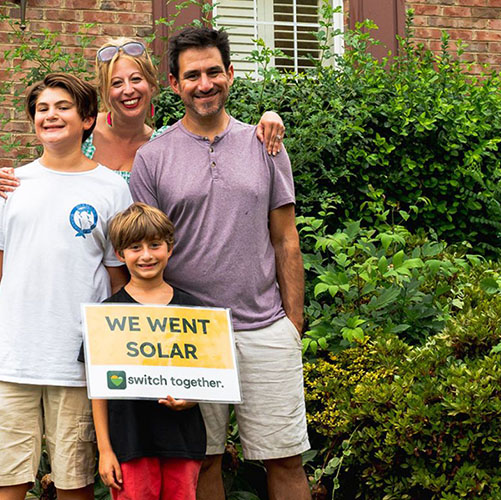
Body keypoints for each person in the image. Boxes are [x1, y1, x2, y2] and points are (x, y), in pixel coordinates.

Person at [129, 27, 311, 500]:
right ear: (174, 84)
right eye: (192, 75)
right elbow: (146, 257)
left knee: (286, 458)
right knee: (203, 461)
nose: (204, 83)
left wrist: (292, 323)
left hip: (264, 326)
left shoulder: (265, 144)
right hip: (191, 330)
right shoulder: (152, 159)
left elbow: (286, 238)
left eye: (214, 72)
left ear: (230, 74)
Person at [0, 73, 132, 500]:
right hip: (11, 359)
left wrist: (119, 357)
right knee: (4, 481)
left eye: (63, 107)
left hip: (76, 363)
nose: (50, 115)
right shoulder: (12, 185)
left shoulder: (111, 188)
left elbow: (118, 280)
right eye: (42, 109)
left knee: (74, 482)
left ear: (88, 119)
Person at [0, 37, 285, 196]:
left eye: (136, 79)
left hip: (143, 265)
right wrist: (5, 181)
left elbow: (211, 128)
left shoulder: (163, 144)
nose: (128, 90)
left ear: (154, 84)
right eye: (116, 83)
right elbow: (48, 172)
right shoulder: (82, 133)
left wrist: (269, 116)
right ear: (104, 90)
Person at [90, 202, 206, 500]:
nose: (146, 255)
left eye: (155, 245)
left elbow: (209, 375)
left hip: (182, 441)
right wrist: (105, 450)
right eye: (134, 247)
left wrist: (191, 399)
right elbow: (98, 388)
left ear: (170, 248)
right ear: (119, 254)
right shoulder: (108, 314)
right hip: (130, 443)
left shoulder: (194, 310)